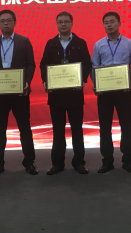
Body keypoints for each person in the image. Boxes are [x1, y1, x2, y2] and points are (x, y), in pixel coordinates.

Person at [0, 9, 38, 176]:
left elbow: (31, 64)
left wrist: (26, 82)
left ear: (15, 22)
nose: (6, 23)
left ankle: (29, 162)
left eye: (9, 20)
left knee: (25, 128)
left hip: (19, 94)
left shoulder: (24, 41)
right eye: (2, 21)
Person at [39, 12, 92, 175]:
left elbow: (87, 64)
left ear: (72, 23)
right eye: (60, 22)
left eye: (66, 22)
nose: (63, 24)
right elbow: (44, 65)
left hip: (75, 94)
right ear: (56, 24)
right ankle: (57, 163)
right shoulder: (51, 43)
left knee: (77, 130)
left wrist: (83, 79)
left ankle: (79, 162)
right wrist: (46, 81)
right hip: (56, 96)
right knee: (58, 131)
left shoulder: (80, 43)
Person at [91, 11, 131, 173]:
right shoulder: (98, 45)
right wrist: (96, 84)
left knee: (126, 125)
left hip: (123, 91)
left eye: (112, 21)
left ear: (119, 23)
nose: (109, 25)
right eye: (106, 22)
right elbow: (94, 66)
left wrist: (130, 79)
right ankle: (107, 161)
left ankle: (127, 160)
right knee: (104, 127)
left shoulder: (129, 43)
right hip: (105, 92)